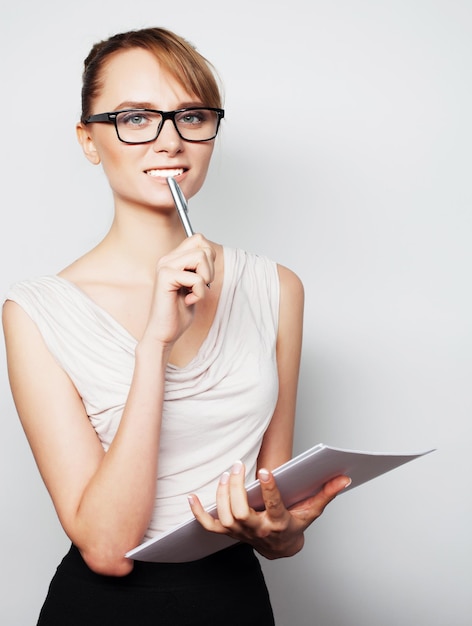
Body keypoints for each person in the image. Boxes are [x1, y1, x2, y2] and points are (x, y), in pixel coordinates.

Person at [2, 27, 350, 625]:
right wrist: (154, 344)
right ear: (89, 141)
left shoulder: (276, 289)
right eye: (136, 117)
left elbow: (276, 510)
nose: (170, 141)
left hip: (234, 600)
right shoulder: (36, 313)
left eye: (190, 115)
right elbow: (107, 550)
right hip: (102, 610)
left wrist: (283, 531)